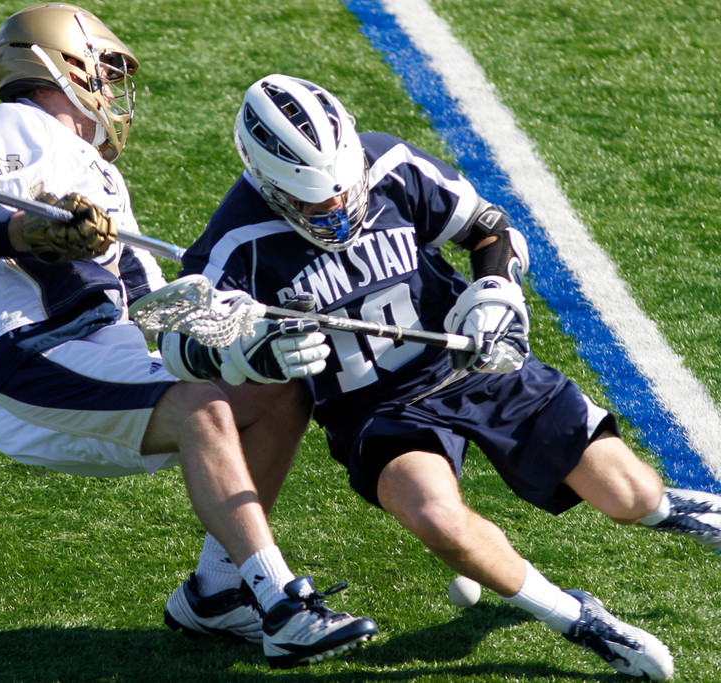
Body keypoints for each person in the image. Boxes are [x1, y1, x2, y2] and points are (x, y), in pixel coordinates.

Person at [175, 73, 721, 681]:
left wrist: (494, 289)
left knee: (631, 499)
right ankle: (580, 620)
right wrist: (252, 351)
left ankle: (667, 506)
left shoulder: (389, 164)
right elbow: (179, 346)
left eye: (342, 191)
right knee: (434, 515)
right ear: (267, 181)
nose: (335, 208)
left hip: (472, 363)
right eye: (312, 202)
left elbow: (492, 228)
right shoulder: (235, 239)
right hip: (375, 410)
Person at [0, 7, 377, 669]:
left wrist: (241, 330)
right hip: (30, 362)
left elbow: (149, 305)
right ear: (58, 62)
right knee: (202, 407)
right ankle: (282, 605)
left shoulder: (102, 175)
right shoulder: (11, 125)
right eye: (104, 73)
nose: (112, 91)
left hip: (110, 355)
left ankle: (216, 593)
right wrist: (38, 233)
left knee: (279, 390)